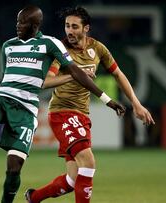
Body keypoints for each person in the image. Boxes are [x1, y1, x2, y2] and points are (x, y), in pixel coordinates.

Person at [0, 5, 125, 203]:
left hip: (26, 109)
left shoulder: (50, 44)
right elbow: (8, 79)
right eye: (18, 21)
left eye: (23, 22)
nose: (18, 25)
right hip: (1, 99)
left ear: (35, 25)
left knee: (13, 167)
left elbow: (75, 71)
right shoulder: (8, 45)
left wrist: (106, 99)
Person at [25, 6, 155, 203]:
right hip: (62, 113)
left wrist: (136, 104)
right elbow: (46, 82)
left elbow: (118, 74)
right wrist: (75, 75)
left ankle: (34, 197)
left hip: (82, 115)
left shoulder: (98, 49)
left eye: (75, 26)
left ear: (86, 29)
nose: (69, 31)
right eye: (67, 26)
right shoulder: (61, 51)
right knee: (88, 161)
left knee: (72, 179)